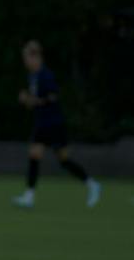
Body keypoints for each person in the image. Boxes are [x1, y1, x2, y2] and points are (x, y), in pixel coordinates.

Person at [12, 40, 101, 209]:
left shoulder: (46, 75)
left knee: (64, 161)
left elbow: (52, 98)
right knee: (34, 155)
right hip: (42, 123)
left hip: (54, 123)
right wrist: (27, 101)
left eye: (27, 58)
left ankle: (92, 184)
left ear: (36, 57)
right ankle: (29, 196)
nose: (25, 62)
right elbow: (36, 102)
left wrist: (32, 100)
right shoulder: (32, 76)